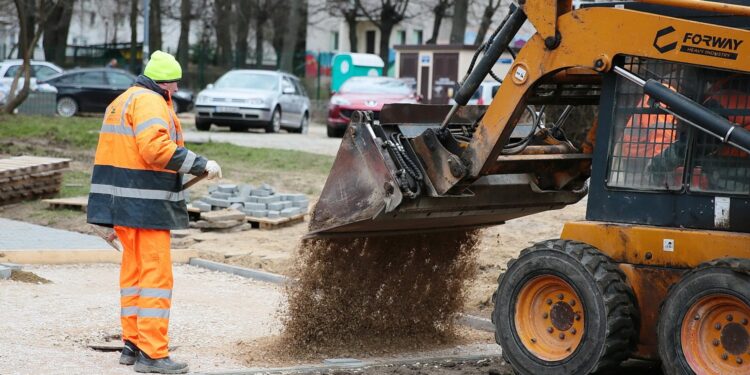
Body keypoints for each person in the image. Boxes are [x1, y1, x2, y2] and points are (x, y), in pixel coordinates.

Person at [87, 50, 222, 374]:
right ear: (163, 83)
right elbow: (155, 149)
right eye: (173, 86)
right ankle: (153, 354)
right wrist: (201, 164)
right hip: (145, 207)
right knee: (155, 278)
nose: (175, 91)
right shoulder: (149, 102)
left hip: (123, 205)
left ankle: (132, 343)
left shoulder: (122, 101)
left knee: (133, 276)